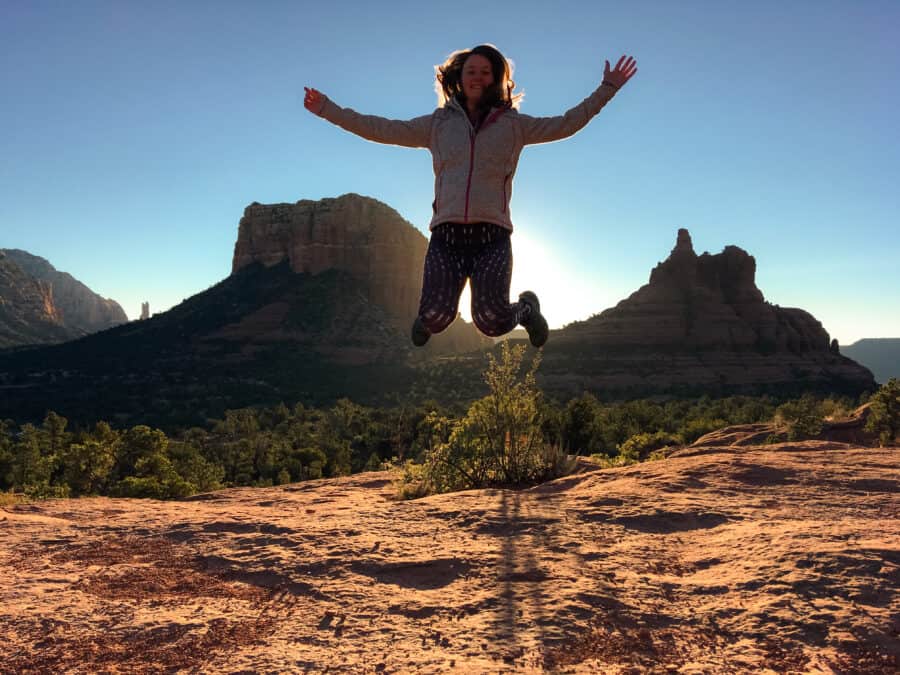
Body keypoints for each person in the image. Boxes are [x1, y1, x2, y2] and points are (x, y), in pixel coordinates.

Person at [304, 45, 637, 348]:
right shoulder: (437, 124)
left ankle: (527, 309)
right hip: (446, 237)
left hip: (491, 237)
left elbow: (568, 123)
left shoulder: (514, 126)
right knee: (434, 317)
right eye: (471, 71)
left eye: (485, 71)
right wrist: (327, 110)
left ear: (496, 79)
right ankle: (431, 317)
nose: (477, 77)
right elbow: (380, 128)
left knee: (491, 322)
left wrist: (606, 90)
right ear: (458, 78)